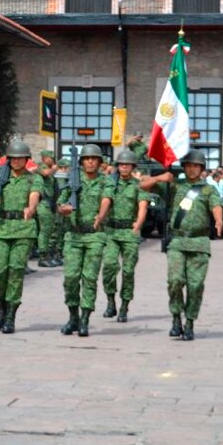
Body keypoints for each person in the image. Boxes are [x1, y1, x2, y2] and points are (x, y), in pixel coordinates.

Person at [139, 150, 223, 341]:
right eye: (189, 165)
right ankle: (176, 317)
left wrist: (219, 220)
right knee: (175, 281)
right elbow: (142, 186)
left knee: (195, 285)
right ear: (184, 167)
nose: (192, 169)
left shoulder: (208, 189)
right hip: (177, 241)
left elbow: (216, 205)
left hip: (199, 242)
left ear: (202, 169)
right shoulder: (174, 186)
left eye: (196, 166)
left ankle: (190, 321)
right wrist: (160, 177)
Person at [0, 140, 41, 335]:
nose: (16, 161)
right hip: (2, 228)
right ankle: (1, 308)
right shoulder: (0, 178)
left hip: (23, 229)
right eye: (13, 158)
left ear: (26, 159)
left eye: (20, 158)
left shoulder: (33, 179)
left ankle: (10, 316)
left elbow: (34, 195)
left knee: (15, 270)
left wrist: (31, 208)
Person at [58, 144, 110, 337]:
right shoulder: (73, 179)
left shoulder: (105, 181)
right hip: (73, 236)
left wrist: (101, 216)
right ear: (81, 162)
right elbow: (60, 202)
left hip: (95, 236)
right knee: (71, 278)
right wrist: (63, 209)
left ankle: (85, 318)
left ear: (99, 162)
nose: (90, 162)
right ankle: (73, 316)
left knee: (89, 277)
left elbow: (106, 199)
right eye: (87, 159)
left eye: (93, 159)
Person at [100, 149, 149, 323]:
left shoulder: (138, 185)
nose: (124, 167)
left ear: (133, 166)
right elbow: (105, 201)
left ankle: (124, 306)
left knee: (128, 271)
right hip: (112, 232)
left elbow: (143, 206)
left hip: (129, 232)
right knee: (109, 266)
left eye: (127, 165)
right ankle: (110, 300)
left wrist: (139, 223)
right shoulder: (110, 183)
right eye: (121, 165)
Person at [35, 150, 58, 267]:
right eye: (51, 158)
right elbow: (45, 173)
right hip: (43, 203)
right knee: (45, 231)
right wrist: (54, 169)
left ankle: (48, 255)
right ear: (44, 158)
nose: (53, 160)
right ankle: (42, 257)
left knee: (49, 231)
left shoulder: (50, 170)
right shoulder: (41, 166)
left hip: (50, 203)